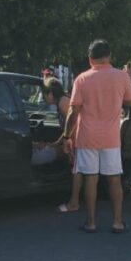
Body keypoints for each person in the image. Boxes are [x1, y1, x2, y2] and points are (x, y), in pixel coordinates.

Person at [62, 39, 131, 233]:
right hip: (111, 138)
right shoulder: (121, 77)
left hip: (87, 137)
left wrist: (66, 136)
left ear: (90, 58)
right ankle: (117, 222)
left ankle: (91, 222)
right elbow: (130, 101)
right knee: (114, 179)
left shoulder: (82, 79)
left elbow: (73, 111)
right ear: (109, 56)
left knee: (90, 179)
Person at [40, 77, 83, 213]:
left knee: (77, 170)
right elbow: (67, 128)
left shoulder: (63, 103)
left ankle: (74, 202)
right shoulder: (63, 101)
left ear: (51, 93)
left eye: (45, 94)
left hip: (79, 140)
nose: (44, 98)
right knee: (77, 169)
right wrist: (58, 142)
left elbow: (74, 123)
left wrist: (67, 142)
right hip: (77, 139)